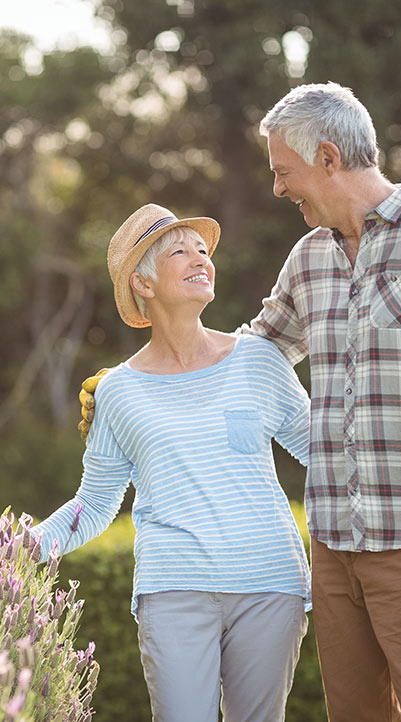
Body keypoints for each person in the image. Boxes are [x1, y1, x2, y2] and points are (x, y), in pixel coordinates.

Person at [245, 81, 401, 721]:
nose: (278, 189)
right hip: (333, 544)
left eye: (283, 172)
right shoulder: (308, 259)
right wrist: (142, 371)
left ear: (328, 158)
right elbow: (256, 354)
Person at [27, 204, 312, 722]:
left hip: (270, 584)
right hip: (173, 589)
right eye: (178, 251)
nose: (199, 257)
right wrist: (23, 550)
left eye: (202, 249)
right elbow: (94, 504)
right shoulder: (117, 391)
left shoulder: (259, 359)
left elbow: (327, 453)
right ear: (143, 283)